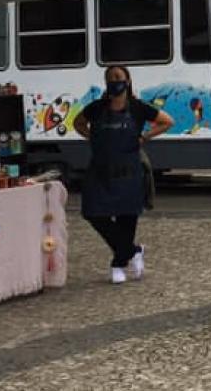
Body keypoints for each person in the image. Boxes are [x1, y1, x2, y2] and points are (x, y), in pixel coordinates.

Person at [73, 65, 174, 284]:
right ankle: (133, 250)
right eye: (110, 78)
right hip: (100, 170)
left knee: (126, 217)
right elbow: (77, 122)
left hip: (129, 171)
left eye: (118, 77)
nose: (114, 81)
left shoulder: (138, 107)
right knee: (93, 212)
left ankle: (118, 264)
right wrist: (91, 136)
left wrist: (145, 137)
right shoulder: (97, 108)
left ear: (127, 81)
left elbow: (167, 121)